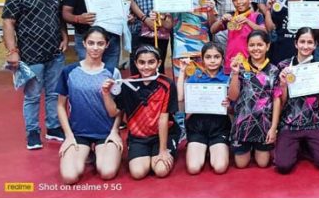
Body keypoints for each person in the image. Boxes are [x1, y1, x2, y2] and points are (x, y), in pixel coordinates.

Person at [2, 0, 68, 150]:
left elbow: (59, 19)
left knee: (53, 93)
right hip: (31, 55)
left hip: (55, 54)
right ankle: (32, 132)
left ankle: (53, 127)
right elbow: (8, 23)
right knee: (32, 96)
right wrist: (12, 50)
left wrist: (64, 36)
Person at [58, 26, 122, 184]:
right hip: (79, 133)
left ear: (106, 45)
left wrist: (114, 132)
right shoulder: (69, 71)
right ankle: (86, 152)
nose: (95, 47)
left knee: (107, 172)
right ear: (84, 43)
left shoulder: (113, 72)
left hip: (105, 132)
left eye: (100, 44)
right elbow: (60, 106)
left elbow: (119, 110)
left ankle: (100, 153)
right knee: (70, 177)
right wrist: (68, 136)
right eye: (91, 43)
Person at [105, 44, 180, 179]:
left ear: (159, 63)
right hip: (138, 138)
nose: (146, 67)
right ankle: (148, 155)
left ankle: (164, 150)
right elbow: (114, 112)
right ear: (135, 63)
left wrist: (162, 150)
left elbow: (163, 119)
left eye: (151, 62)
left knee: (160, 171)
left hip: (162, 136)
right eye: (141, 62)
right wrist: (105, 93)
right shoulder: (127, 84)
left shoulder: (167, 84)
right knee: (138, 173)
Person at [274, 28, 319, 174]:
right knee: (283, 166)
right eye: (302, 42)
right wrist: (283, 84)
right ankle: (298, 146)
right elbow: (281, 102)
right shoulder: (284, 66)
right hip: (289, 124)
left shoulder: (318, 68)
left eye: (310, 42)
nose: (305, 46)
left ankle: (303, 145)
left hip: (313, 123)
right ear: (296, 44)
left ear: (315, 45)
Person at [227, 30, 282, 168]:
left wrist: (273, 127)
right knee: (241, 164)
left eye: (260, 45)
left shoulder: (274, 70)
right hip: (242, 125)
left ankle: (257, 147)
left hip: (263, 125)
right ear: (247, 47)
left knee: (263, 163)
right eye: (252, 45)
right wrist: (234, 74)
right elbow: (233, 96)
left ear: (267, 46)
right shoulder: (240, 67)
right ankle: (246, 148)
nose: (256, 48)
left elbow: (276, 100)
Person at [176, 42, 230, 175]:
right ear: (202, 59)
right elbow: (180, 98)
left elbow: (233, 106)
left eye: (216, 57)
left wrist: (228, 105)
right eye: (208, 57)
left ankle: (214, 147)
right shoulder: (196, 77)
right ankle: (201, 147)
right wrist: (182, 72)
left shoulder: (227, 79)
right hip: (197, 126)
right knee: (193, 168)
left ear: (222, 59)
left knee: (220, 167)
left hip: (219, 126)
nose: (212, 60)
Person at [169, 0, 218, 76]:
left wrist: (210, 9)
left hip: (202, 49)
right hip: (181, 49)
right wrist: (159, 15)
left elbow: (213, 27)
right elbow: (168, 26)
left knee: (201, 85)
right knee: (181, 85)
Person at [210, 0, 266, 72]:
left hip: (250, 63)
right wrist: (222, 20)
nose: (238, 2)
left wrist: (248, 22)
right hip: (231, 62)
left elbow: (264, 32)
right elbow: (213, 30)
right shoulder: (231, 16)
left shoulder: (257, 16)